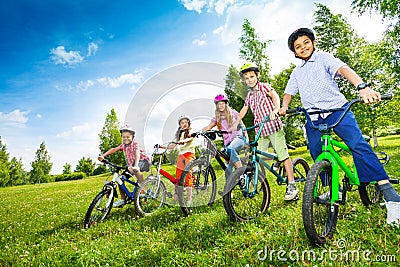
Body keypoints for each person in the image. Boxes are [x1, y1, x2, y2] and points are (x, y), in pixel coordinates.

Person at [280, 27, 400, 224]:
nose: (303, 47)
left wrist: (362, 87)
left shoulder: (324, 58)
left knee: (358, 145)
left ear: (313, 43)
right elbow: (289, 92)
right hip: (314, 117)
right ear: (294, 52)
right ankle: (332, 189)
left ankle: (391, 196)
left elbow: (343, 70)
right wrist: (283, 107)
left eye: (306, 43)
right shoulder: (296, 72)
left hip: (338, 110)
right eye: (298, 46)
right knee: (316, 151)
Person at [234, 63, 299, 201]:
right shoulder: (249, 95)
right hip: (260, 130)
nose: (249, 79)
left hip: (273, 126)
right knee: (259, 157)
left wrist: (276, 109)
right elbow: (245, 109)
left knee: (283, 154)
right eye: (246, 78)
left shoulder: (264, 86)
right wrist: (236, 121)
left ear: (257, 76)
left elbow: (274, 95)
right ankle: (261, 179)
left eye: (252, 76)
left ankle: (292, 184)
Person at [98, 125, 150, 208]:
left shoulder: (135, 144)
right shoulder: (123, 145)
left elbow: (137, 154)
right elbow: (114, 149)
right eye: (123, 137)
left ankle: (144, 189)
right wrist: (103, 155)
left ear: (132, 136)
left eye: (128, 136)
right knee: (120, 179)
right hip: (131, 165)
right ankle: (123, 199)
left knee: (136, 171)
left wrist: (136, 165)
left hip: (143, 161)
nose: (126, 138)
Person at [202, 94, 248, 183]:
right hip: (228, 143)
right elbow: (208, 127)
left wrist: (246, 137)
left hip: (239, 138)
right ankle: (229, 190)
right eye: (219, 104)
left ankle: (241, 174)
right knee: (227, 168)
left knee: (231, 149)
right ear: (216, 106)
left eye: (222, 103)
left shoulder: (233, 112)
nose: (221, 106)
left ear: (226, 104)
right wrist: (199, 132)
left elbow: (242, 124)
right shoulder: (217, 118)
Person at [174, 115, 196, 203]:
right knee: (178, 176)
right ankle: (176, 198)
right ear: (180, 125)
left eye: (185, 122)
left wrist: (184, 141)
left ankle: (189, 199)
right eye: (182, 123)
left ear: (188, 123)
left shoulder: (190, 131)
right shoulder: (179, 135)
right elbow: (173, 145)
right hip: (181, 155)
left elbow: (190, 138)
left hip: (189, 154)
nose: (184, 124)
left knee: (188, 175)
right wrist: (162, 147)